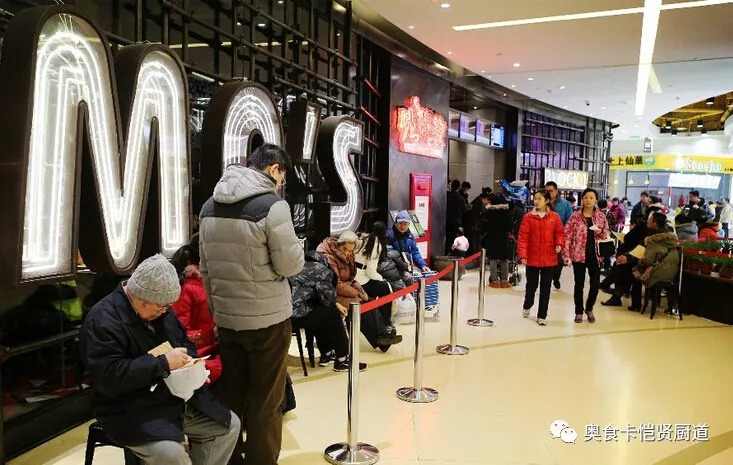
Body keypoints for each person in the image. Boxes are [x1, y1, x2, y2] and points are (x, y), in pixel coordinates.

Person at [198, 143, 305, 465]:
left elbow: (205, 269)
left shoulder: (208, 207)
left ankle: (229, 458)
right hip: (268, 321)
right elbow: (290, 266)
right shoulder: (272, 207)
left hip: (228, 320)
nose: (280, 184)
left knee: (232, 394)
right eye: (281, 177)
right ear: (274, 169)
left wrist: (218, 311)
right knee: (265, 401)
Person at [80, 254, 240, 465]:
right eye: (160, 307)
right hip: (128, 408)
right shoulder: (103, 320)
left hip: (173, 398)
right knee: (172, 456)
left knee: (229, 426)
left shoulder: (162, 311)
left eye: (167, 306)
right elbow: (110, 377)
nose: (165, 311)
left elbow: (184, 342)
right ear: (140, 296)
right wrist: (162, 364)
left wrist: (191, 364)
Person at [317, 231, 402, 351]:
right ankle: (381, 339)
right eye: (344, 249)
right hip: (330, 293)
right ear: (339, 244)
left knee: (370, 302)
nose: (347, 252)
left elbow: (351, 277)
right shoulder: (328, 256)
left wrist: (359, 289)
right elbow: (335, 284)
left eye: (351, 250)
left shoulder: (348, 254)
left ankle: (383, 336)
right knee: (361, 306)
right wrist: (356, 293)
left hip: (345, 289)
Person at [290, 251, 365, 372]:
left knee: (320, 311)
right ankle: (343, 359)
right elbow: (329, 297)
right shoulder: (319, 269)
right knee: (331, 312)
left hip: (283, 316)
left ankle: (327, 354)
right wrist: (336, 305)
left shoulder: (297, 267)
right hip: (296, 316)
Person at [170, 235, 222, 385]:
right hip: (198, 354)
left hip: (212, 347)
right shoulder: (186, 287)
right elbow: (178, 334)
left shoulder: (206, 282)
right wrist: (211, 333)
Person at [517, 190, 565, 325]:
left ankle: (542, 315)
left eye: (540, 199)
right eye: (535, 198)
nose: (536, 201)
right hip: (532, 258)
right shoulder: (528, 217)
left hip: (549, 258)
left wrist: (559, 244)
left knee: (546, 288)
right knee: (531, 286)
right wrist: (523, 255)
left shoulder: (554, 217)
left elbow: (560, 233)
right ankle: (527, 305)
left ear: (547, 201)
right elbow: (522, 238)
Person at [563, 188, 610, 323]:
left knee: (595, 284)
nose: (588, 200)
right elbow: (568, 235)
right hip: (578, 255)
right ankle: (578, 311)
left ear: (595, 200)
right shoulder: (575, 216)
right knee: (579, 285)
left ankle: (589, 308)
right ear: (582, 199)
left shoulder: (600, 216)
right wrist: (565, 254)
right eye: (586, 197)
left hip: (595, 255)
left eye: (591, 197)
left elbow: (607, 233)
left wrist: (600, 231)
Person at [356, 222, 398, 332]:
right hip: (361, 279)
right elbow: (370, 272)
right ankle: (385, 322)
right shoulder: (375, 244)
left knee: (376, 287)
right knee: (385, 287)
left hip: (350, 276)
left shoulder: (361, 237)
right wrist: (382, 279)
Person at [600, 215, 648, 309]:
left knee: (625, 268)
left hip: (644, 264)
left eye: (632, 224)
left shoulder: (642, 235)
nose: (630, 226)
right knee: (621, 265)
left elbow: (643, 253)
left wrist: (626, 258)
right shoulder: (641, 235)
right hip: (636, 261)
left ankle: (613, 288)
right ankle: (616, 291)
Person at [633, 212, 680, 291]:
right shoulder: (671, 239)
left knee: (634, 269)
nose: (647, 221)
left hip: (659, 274)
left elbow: (648, 261)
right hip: (673, 273)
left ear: (655, 223)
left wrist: (639, 260)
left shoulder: (653, 240)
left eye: (649, 220)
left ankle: (635, 301)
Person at [479, 193, 513, 288]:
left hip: (491, 237)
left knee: (493, 258)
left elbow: (483, 225)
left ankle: (494, 281)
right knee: (504, 259)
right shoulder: (506, 212)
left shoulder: (488, 212)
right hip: (503, 237)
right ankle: (504, 280)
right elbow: (509, 226)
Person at [544, 181, 572, 290]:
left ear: (556, 191)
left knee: (559, 260)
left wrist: (562, 232)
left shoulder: (565, 204)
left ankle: (556, 278)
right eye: (547, 191)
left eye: (551, 191)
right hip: (544, 236)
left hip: (559, 236)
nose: (549, 193)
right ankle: (547, 279)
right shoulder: (543, 203)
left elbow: (569, 221)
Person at [446, 180, 467, 254]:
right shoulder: (461, 198)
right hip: (456, 222)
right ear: (459, 187)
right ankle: (452, 253)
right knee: (454, 238)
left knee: (447, 238)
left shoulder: (447, 196)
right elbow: (464, 211)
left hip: (446, 221)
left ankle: (446, 251)